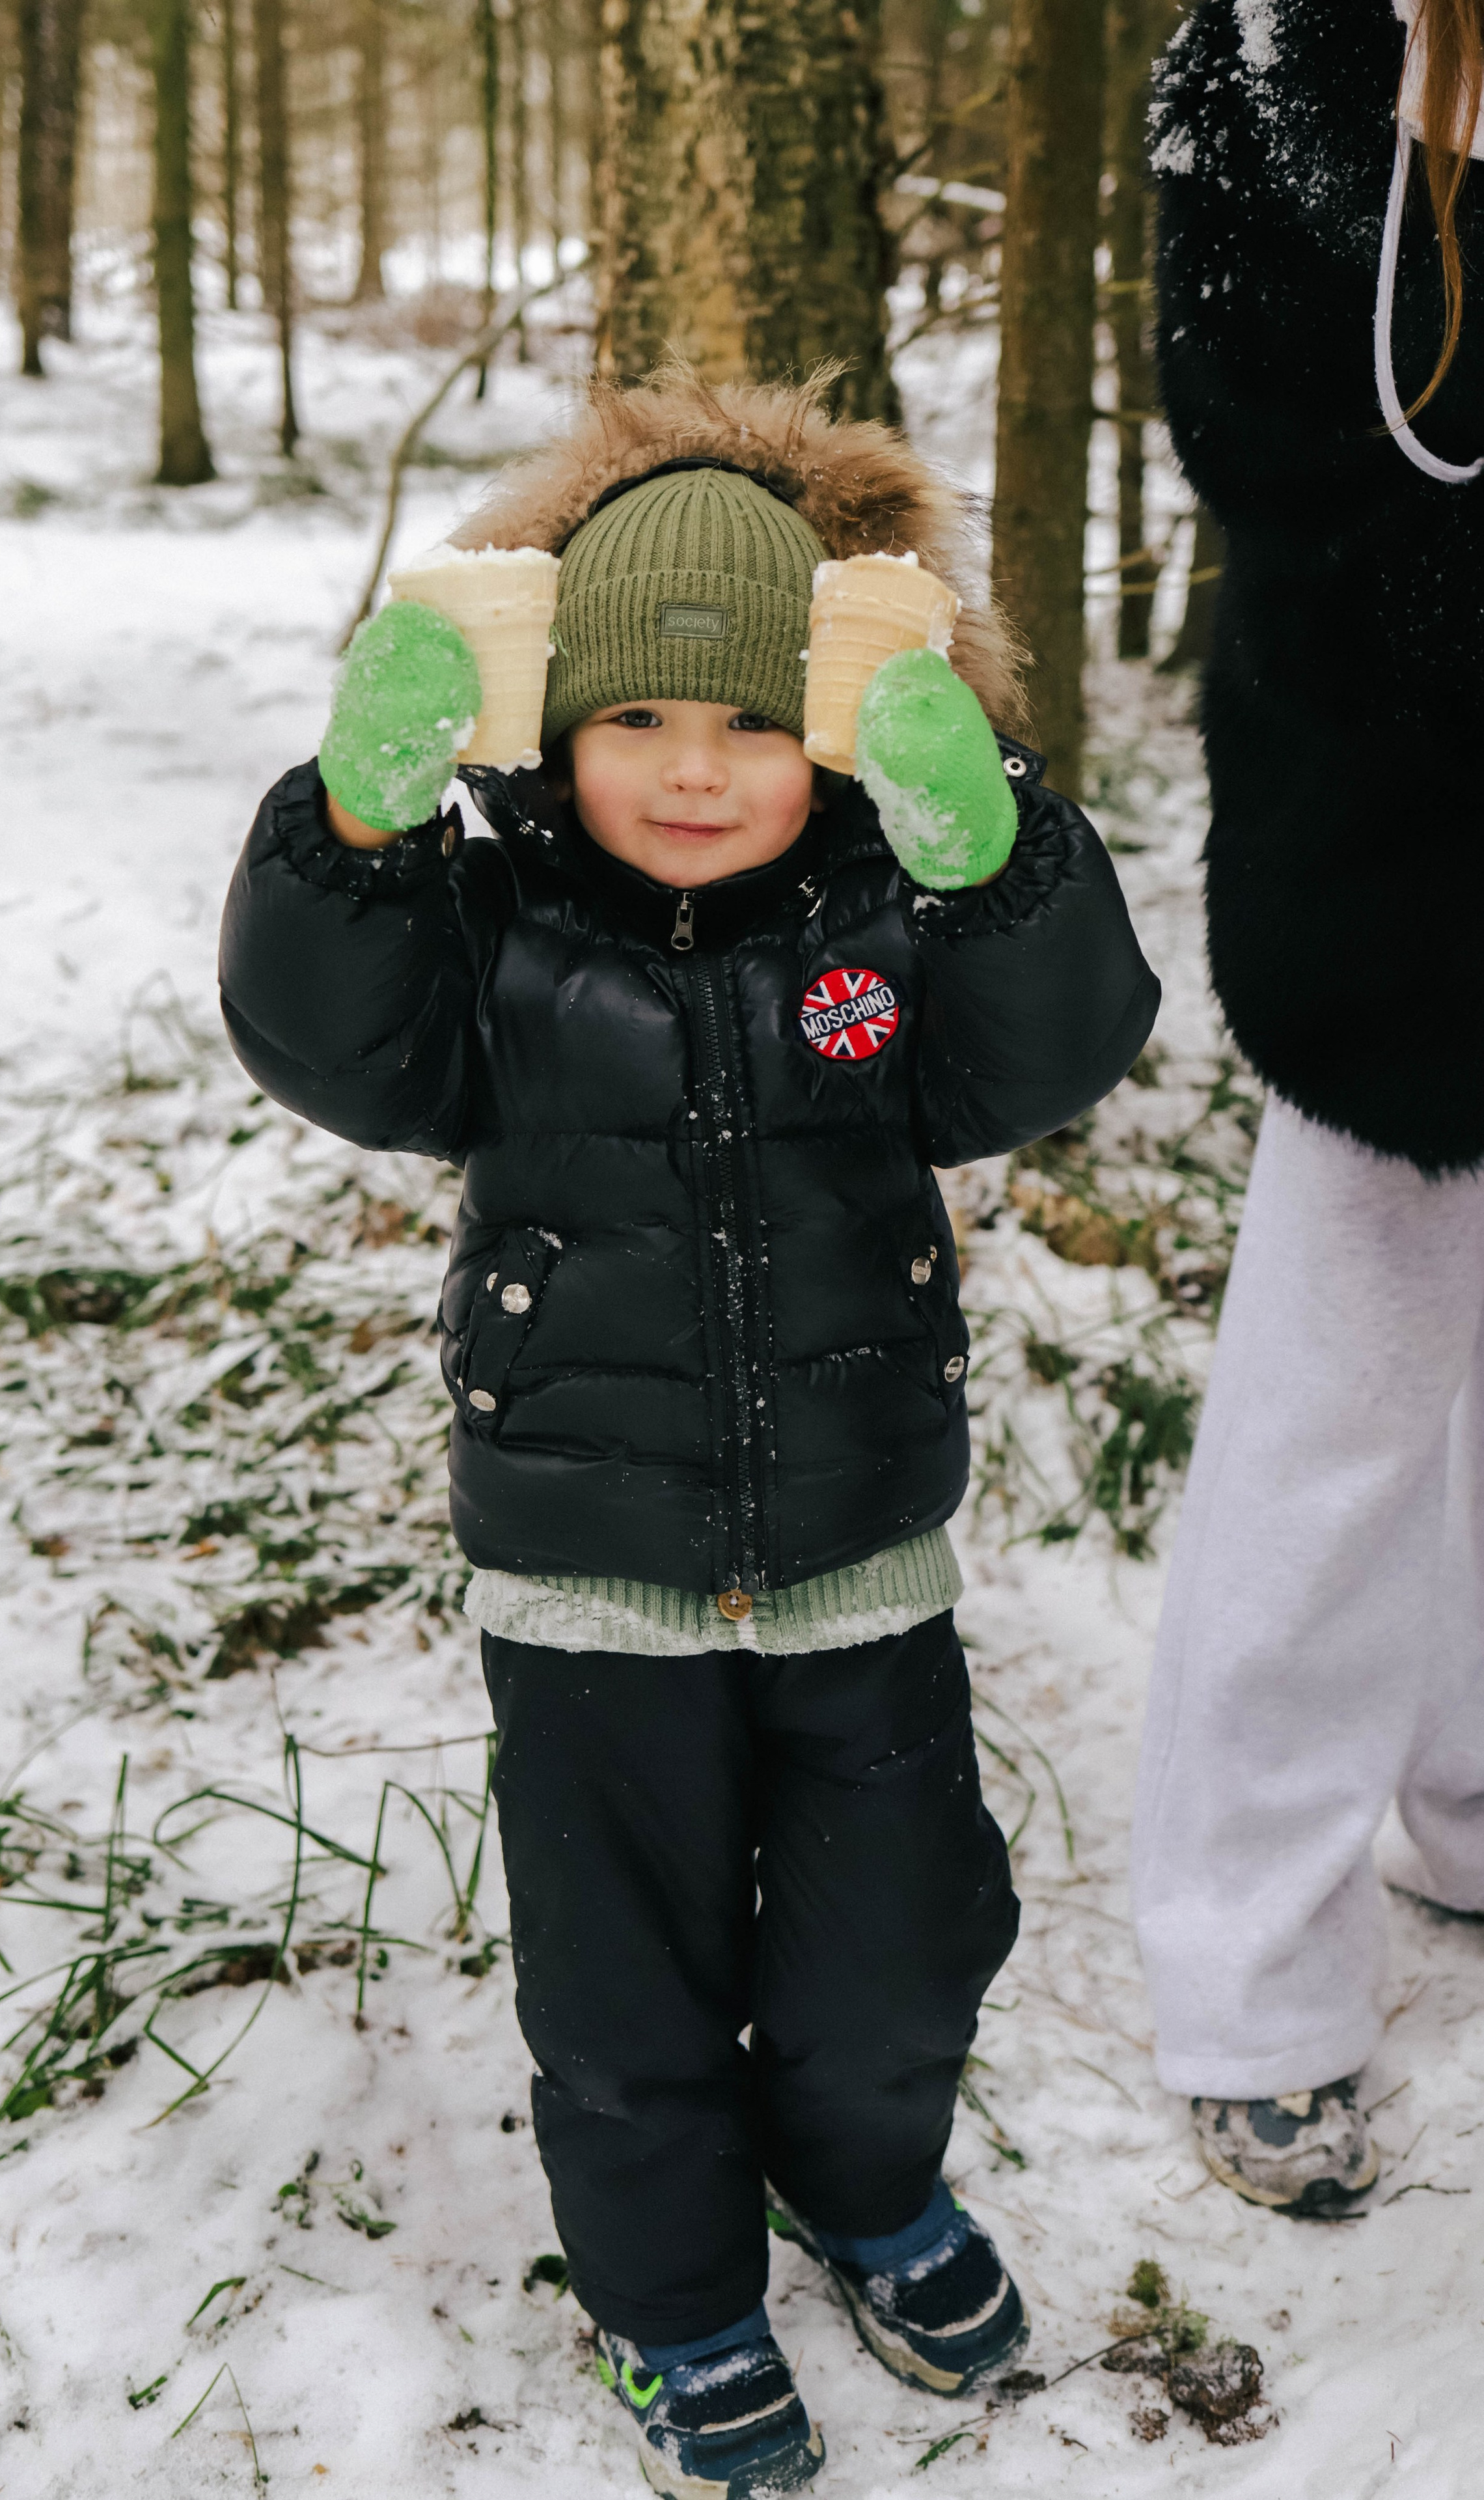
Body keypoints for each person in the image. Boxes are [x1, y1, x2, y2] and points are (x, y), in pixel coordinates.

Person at [220, 370, 1157, 2495]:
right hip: (586, 1574)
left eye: (748, 721)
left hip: (858, 1553)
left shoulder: (881, 919)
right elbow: (338, 1049)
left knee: (898, 1945)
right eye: (637, 718)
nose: (697, 769)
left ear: (827, 731)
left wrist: (993, 852)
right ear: (553, 725)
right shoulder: (497, 930)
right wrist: (352, 833)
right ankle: (672, 2302)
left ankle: (866, 2185)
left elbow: (1045, 1058)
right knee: (625, 1992)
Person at [1133, 0, 1484, 2216]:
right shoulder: (1280, 48)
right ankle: (1251, 1981)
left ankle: (1475, 1806)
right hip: (1403, 883)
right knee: (1336, 1429)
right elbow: (1263, 442)